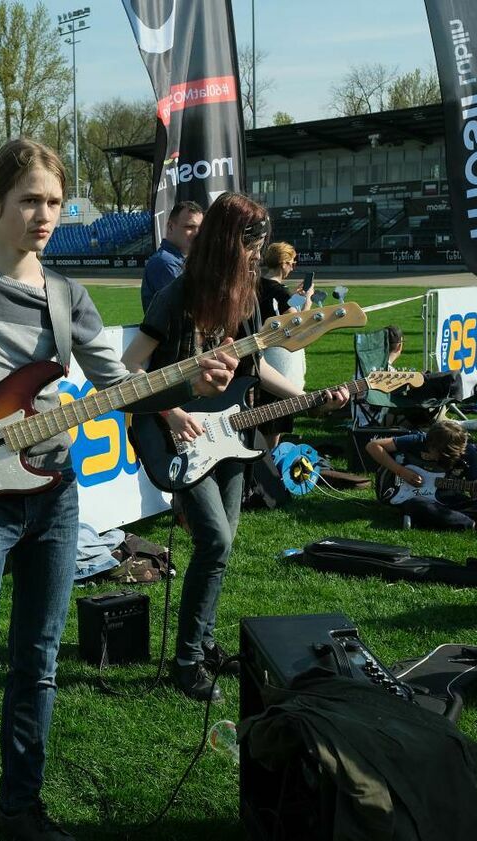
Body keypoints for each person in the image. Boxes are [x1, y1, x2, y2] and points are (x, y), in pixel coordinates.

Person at [0, 138, 223, 841]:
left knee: (38, 664)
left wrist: (186, 382)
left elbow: (121, 384)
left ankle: (20, 809)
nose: (46, 215)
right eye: (32, 200)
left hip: (53, 498)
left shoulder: (68, 296)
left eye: (56, 202)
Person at [121, 193, 348, 703]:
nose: (257, 255)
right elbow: (130, 369)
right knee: (215, 542)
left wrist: (311, 401)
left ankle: (202, 642)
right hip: (174, 433)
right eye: (251, 244)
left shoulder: (244, 302)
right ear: (228, 242)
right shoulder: (174, 297)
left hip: (231, 435)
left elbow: (254, 369)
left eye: (261, 245)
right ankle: (186, 661)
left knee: (220, 547)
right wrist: (171, 412)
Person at [365, 420, 477, 529]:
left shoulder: (468, 452)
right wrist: (401, 471)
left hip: (448, 499)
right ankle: (473, 525)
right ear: (430, 446)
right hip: (417, 500)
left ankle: (439, 519)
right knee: (418, 504)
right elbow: (373, 446)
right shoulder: (418, 441)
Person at [257, 241, 313, 449]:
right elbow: (297, 325)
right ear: (283, 264)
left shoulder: (256, 286)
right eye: (291, 263)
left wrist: (296, 298)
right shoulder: (280, 292)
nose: (293, 267)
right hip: (278, 363)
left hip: (259, 360)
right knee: (274, 427)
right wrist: (307, 301)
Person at [140, 200, 203, 313]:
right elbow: (195, 308)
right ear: (170, 227)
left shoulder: (185, 260)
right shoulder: (164, 262)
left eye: (200, 228)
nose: (197, 233)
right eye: (190, 227)